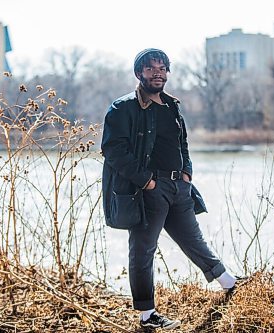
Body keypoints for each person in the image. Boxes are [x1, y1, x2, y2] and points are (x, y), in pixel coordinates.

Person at [101, 48, 240, 330]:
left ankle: (229, 283)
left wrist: (187, 172)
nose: (158, 73)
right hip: (148, 190)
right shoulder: (123, 107)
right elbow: (113, 149)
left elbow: (182, 142)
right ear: (139, 73)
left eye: (162, 68)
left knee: (193, 239)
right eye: (151, 68)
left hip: (179, 186)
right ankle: (147, 315)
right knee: (143, 251)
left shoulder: (172, 105)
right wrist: (147, 181)